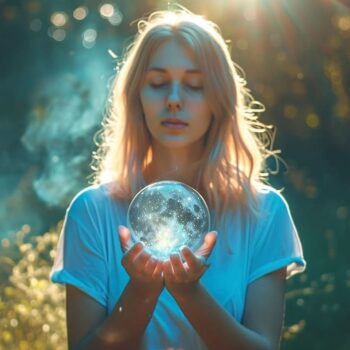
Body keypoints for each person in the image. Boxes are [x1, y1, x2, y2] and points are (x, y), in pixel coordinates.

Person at [50, 7, 306, 350]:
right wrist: (141, 291)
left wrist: (188, 292)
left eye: (195, 85)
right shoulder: (92, 212)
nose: (173, 100)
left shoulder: (263, 212)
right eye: (157, 84)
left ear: (219, 99)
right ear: (136, 97)